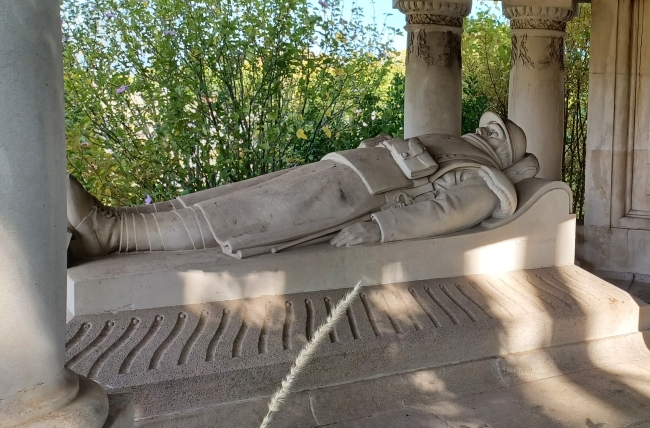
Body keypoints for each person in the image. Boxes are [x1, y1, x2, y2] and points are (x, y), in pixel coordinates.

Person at [67, 112, 538, 260]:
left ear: (504, 153)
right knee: (236, 196)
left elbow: (443, 213)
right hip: (340, 171)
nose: (488, 129)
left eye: (498, 133)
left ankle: (114, 233)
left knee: (244, 216)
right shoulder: (456, 145)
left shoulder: (486, 180)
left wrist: (378, 229)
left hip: (355, 198)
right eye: (491, 126)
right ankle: (121, 219)